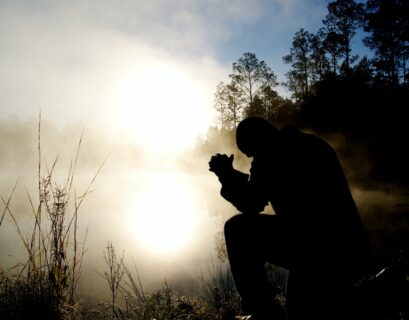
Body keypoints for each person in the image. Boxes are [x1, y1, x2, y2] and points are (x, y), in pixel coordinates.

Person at [209, 117, 370, 320]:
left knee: (237, 229)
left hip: (315, 246)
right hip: (347, 245)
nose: (252, 161)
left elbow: (252, 203)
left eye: (251, 154)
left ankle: (263, 311)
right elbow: (261, 185)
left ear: (257, 140)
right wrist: (232, 174)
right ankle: (362, 293)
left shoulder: (272, 153)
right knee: (301, 308)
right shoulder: (307, 143)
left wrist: (225, 175)